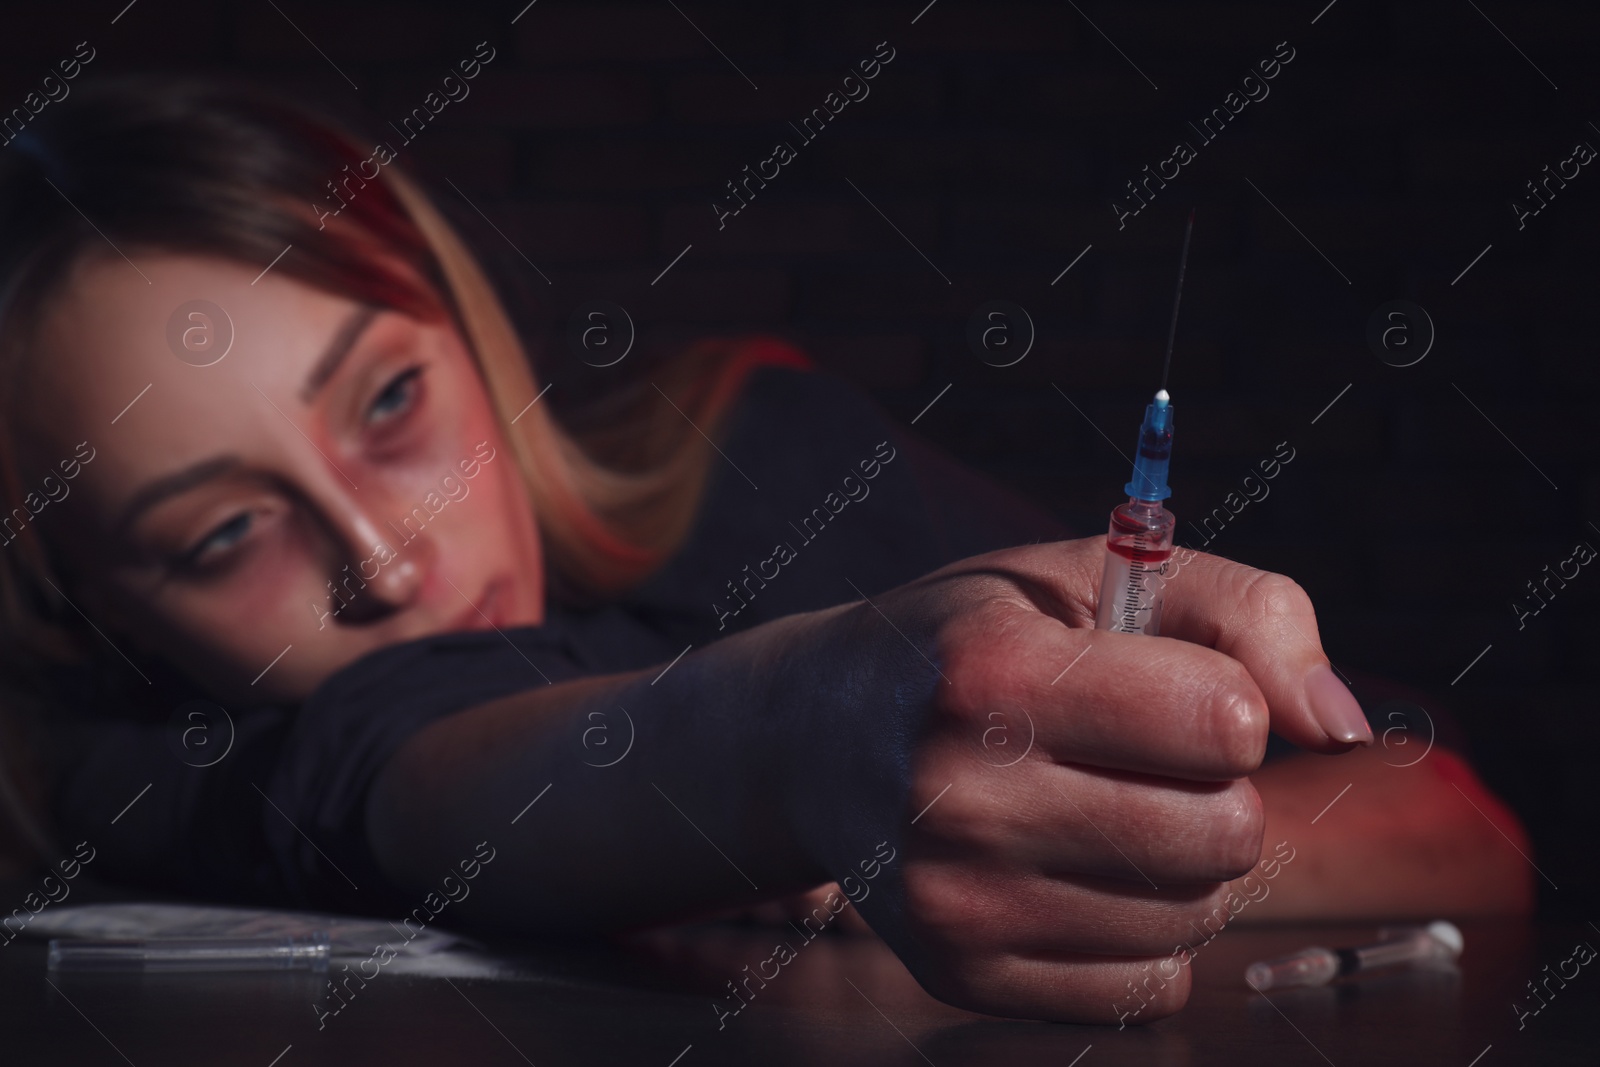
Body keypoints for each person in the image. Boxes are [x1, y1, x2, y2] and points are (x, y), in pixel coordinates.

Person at [0, 77, 1531, 1024]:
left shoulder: (757, 461)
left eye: (392, 401)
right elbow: (403, 773)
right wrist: (808, 747)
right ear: (82, 607)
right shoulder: (141, 774)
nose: (384, 557)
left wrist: (984, 835)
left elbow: (1453, 817)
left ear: (467, 322)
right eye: (220, 534)